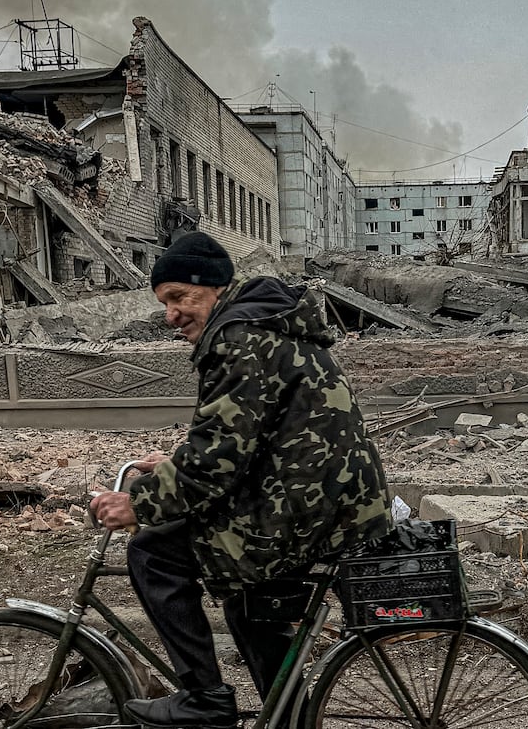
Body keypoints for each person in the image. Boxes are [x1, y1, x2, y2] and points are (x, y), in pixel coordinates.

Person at [89, 232, 391, 729]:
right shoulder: (264, 322)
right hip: (331, 500)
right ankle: (287, 718)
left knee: (153, 550)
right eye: (164, 303)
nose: (171, 315)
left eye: (179, 298)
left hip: (308, 507)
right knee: (246, 595)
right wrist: (171, 467)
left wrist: (139, 504)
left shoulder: (239, 337)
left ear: (211, 288)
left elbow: (217, 458)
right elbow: (246, 437)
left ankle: (203, 698)